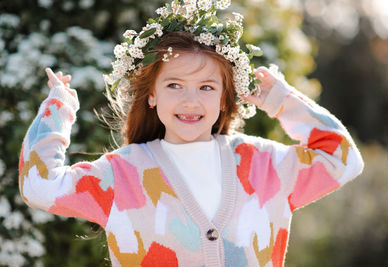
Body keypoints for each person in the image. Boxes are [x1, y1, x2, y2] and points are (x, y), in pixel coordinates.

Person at [18, 1, 364, 266]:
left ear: (225, 98)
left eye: (207, 87)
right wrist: (57, 111)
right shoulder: (121, 174)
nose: (191, 101)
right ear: (151, 95)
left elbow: (342, 159)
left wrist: (282, 101)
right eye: (174, 85)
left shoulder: (265, 165)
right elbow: (39, 185)